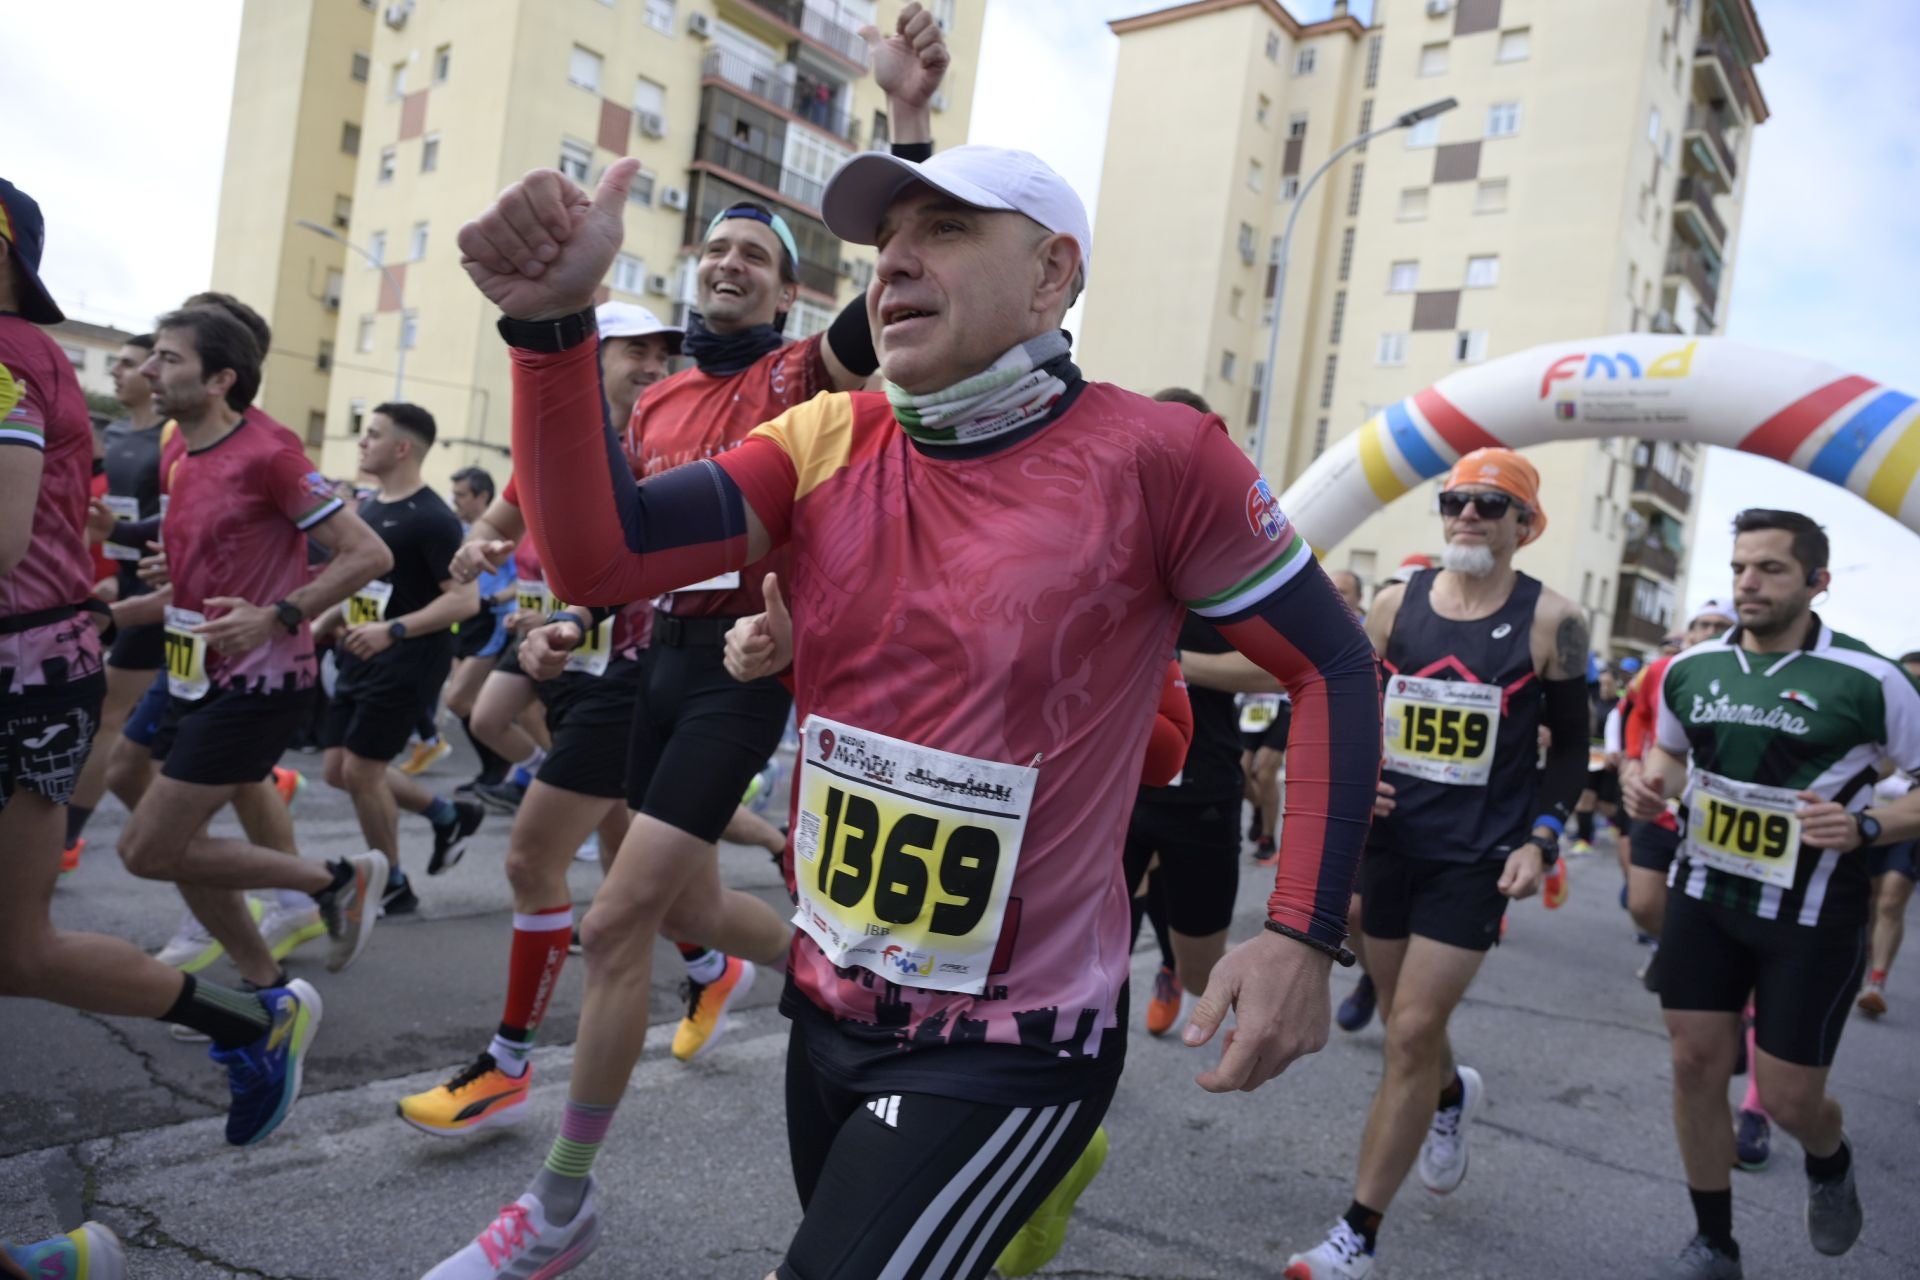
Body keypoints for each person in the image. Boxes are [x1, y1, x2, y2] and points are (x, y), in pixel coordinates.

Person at [441, 48, 1383, 1263]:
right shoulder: (830, 431)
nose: (893, 260)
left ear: (1052, 276)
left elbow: (1334, 668)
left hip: (1013, 1048)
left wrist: (1303, 931)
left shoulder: (1161, 457)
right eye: (886, 238)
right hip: (828, 1001)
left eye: (942, 228)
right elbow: (603, 555)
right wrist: (547, 327)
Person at [0, 180, 335, 1148]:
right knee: (134, 794)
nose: (146, 367)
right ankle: (269, 980)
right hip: (159, 651)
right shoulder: (179, 456)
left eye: (166, 355)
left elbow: (367, 553)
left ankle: (321, 885)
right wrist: (122, 587)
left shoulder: (269, 451)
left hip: (256, 668)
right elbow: (147, 553)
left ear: (222, 376)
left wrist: (275, 614)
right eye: (147, 354)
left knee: (148, 845)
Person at [1286, 447, 1591, 1280]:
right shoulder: (1394, 604)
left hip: (1479, 857)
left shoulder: (1550, 621)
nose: (1466, 515)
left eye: (1490, 505)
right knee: (1403, 1026)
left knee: (1412, 1031)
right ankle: (1452, 1095)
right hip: (1392, 845)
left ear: (1524, 526)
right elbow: (1353, 702)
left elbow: (1571, 753)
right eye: (1455, 500)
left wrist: (1542, 837)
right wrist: (1359, 778)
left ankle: (1358, 1234)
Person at [1622, 508, 1920, 1278]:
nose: (1748, 583)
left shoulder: (1872, 680)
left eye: (1770, 569)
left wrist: (1866, 824)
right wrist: (1649, 788)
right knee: (1694, 1065)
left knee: (1788, 1102)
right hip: (1704, 895)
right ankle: (1714, 1241)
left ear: (1817, 582)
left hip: (1813, 917)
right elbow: (1672, 762)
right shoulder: (1692, 668)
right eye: (1739, 569)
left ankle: (1828, 1158)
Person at [313, 403, 484, 912]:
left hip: (409, 655)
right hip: (360, 652)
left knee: (362, 772)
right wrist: (320, 625)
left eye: (373, 435)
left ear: (402, 447)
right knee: (336, 770)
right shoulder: (371, 507)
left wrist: (394, 629)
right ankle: (446, 814)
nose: (363, 443)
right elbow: (368, 582)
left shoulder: (432, 518)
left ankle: (390, 884)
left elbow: (464, 600)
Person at [61, 333, 160, 868]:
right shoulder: (116, 432)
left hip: (169, 595)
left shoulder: (173, 438)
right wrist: (112, 579)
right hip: (128, 586)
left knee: (109, 716)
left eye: (128, 363)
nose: (117, 372)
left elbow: (174, 525)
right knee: (126, 727)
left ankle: (66, 838)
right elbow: (107, 525)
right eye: (116, 363)